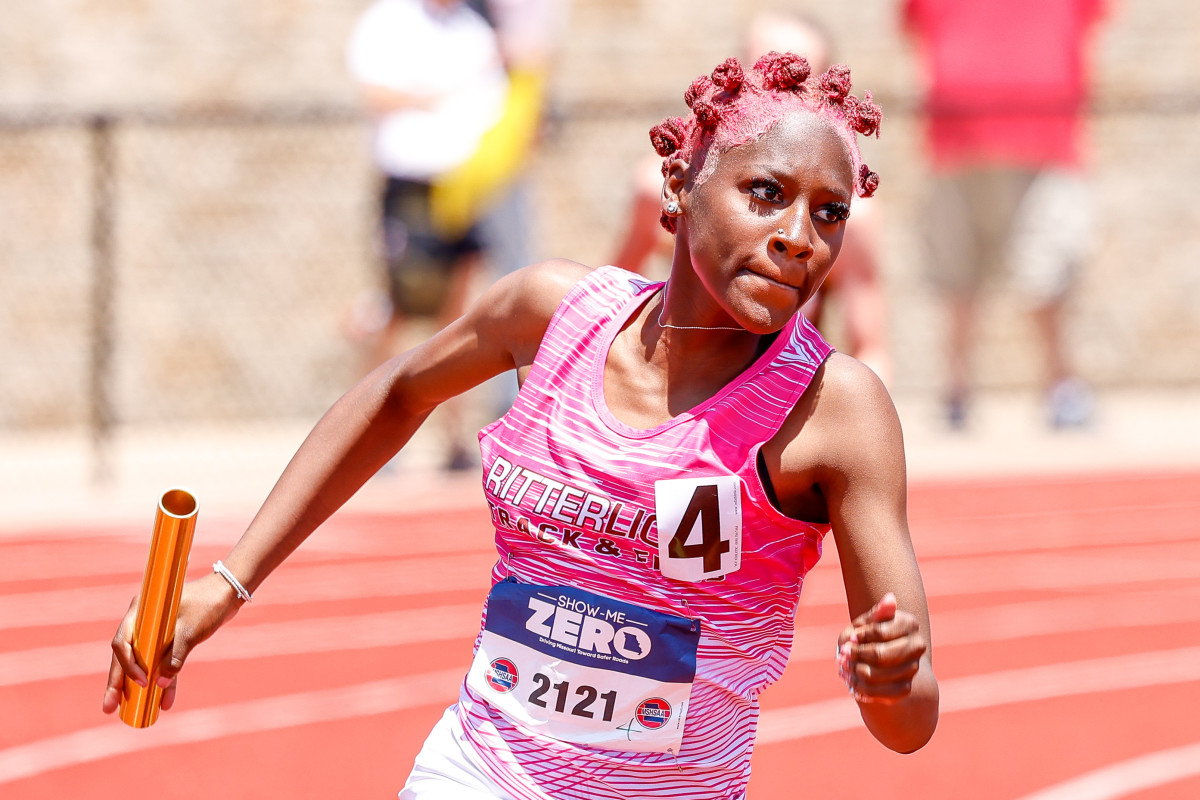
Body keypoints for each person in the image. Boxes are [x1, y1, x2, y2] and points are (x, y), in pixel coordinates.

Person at [104, 52, 939, 799]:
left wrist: (889, 681)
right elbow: (396, 394)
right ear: (679, 186)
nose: (798, 238)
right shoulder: (552, 314)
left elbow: (912, 725)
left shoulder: (835, 409)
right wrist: (228, 582)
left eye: (830, 213)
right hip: (478, 772)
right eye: (766, 193)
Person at [612, 12, 892, 385]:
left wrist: (851, 416)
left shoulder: (852, 221)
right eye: (765, 68)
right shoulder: (659, 185)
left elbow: (871, 347)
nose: (780, 85)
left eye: (798, 78)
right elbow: (619, 293)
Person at [903, 0, 1106, 429]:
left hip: (1046, 131)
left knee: (1049, 268)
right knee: (957, 270)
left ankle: (1060, 384)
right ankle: (956, 388)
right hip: (958, 134)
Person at [345, 0, 510, 468]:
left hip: (460, 187)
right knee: (397, 306)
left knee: (457, 316)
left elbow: (492, 102)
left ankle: (454, 437)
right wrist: (435, 95)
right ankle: (368, 435)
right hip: (410, 186)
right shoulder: (389, 21)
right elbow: (373, 93)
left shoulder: (471, 27)